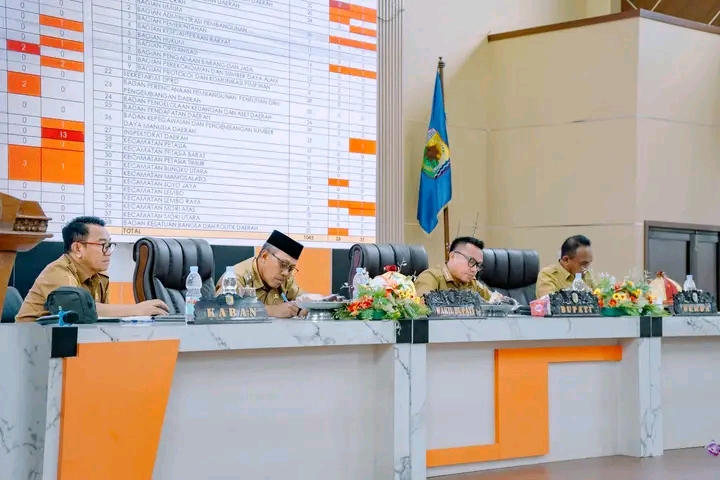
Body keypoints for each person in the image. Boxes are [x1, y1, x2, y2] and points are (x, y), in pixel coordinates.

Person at [15, 216, 169, 322]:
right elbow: (80, 310)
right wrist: (136, 310)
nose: (108, 252)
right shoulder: (58, 272)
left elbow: (103, 316)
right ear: (78, 248)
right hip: (30, 346)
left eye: (109, 245)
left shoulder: (100, 276)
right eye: (103, 245)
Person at [216, 230, 305, 319]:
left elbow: (305, 301)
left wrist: (305, 307)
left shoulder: (286, 279)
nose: (286, 273)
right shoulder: (235, 277)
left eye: (291, 268)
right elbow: (220, 309)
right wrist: (272, 311)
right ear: (264, 256)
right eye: (283, 264)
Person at [414, 236, 493, 300]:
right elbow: (423, 308)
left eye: (478, 265)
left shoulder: (473, 283)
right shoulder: (430, 277)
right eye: (471, 261)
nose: (474, 269)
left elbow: (496, 301)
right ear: (452, 256)